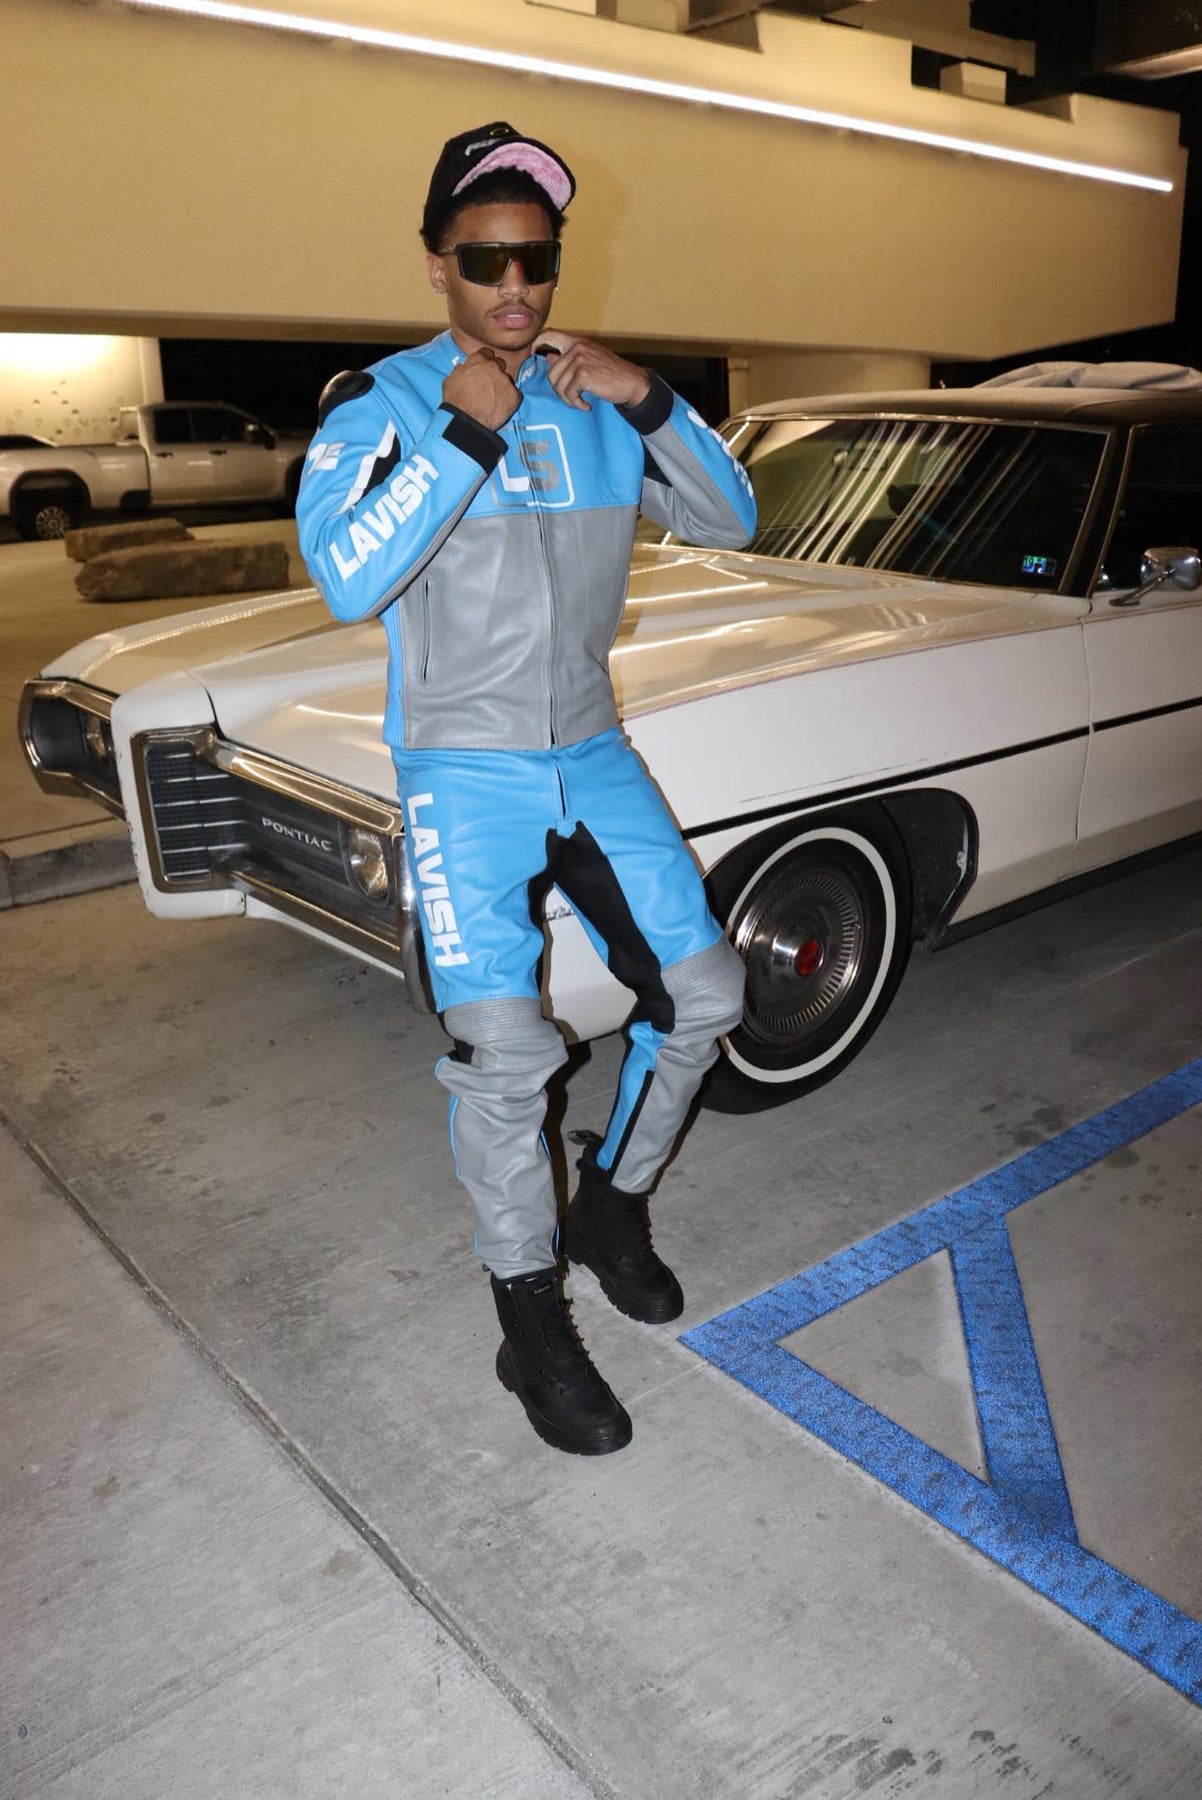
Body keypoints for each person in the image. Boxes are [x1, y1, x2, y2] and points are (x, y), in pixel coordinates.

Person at [297, 121, 756, 1456]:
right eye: (484, 257)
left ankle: (608, 1208)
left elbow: (730, 519)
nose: (514, 283)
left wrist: (646, 397)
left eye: (536, 259)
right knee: (506, 1055)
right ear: (437, 263)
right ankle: (526, 1316)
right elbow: (348, 578)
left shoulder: (593, 396)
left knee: (707, 996)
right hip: (463, 770)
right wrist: (460, 434)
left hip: (591, 752)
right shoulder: (380, 403)